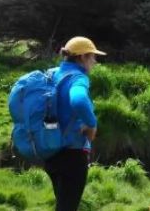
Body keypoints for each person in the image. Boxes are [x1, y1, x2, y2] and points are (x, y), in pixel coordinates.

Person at [44, 36, 105, 211]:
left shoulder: (53, 73)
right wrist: (91, 124)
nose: (94, 61)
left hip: (51, 150)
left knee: (62, 204)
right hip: (72, 154)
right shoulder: (78, 78)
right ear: (81, 57)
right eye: (92, 56)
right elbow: (78, 100)